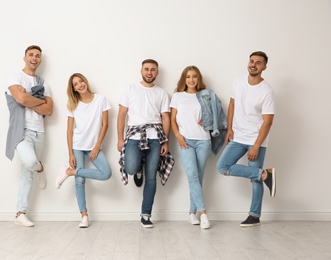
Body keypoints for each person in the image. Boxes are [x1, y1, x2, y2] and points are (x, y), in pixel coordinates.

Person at [216, 51, 276, 227]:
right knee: (222, 166)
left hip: (256, 139)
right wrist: (229, 129)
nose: (253, 65)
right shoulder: (238, 81)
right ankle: (265, 174)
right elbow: (233, 104)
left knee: (254, 179)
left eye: (258, 63)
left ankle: (254, 215)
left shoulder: (267, 91)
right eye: (251, 61)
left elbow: (268, 122)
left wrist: (256, 146)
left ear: (264, 67)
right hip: (238, 136)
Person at [117, 59, 174, 228]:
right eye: (147, 69)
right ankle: (138, 170)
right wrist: (120, 138)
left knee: (151, 177)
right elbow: (121, 115)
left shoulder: (162, 93)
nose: (149, 72)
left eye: (153, 70)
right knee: (131, 168)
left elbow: (165, 117)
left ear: (157, 73)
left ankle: (146, 214)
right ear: (141, 71)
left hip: (156, 136)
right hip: (135, 135)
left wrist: (166, 141)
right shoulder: (129, 89)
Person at [171, 65, 226, 229]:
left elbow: (218, 117)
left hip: (203, 140)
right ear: (184, 79)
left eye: (194, 76)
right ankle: (203, 214)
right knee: (193, 176)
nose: (191, 79)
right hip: (185, 141)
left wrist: (208, 122)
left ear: (198, 78)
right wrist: (178, 136)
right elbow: (172, 120)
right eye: (188, 76)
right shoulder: (177, 96)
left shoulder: (206, 95)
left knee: (198, 178)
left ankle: (191, 213)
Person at [5, 45, 53, 227]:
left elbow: (49, 110)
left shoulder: (43, 82)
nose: (34, 58)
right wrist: (37, 100)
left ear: (40, 60)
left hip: (39, 131)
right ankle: (40, 168)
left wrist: (28, 99)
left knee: (26, 173)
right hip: (21, 131)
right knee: (31, 162)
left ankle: (20, 213)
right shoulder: (16, 76)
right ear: (24, 57)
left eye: (38, 56)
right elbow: (21, 99)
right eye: (31, 55)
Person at [55, 73, 112, 228]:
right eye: (76, 84)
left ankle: (69, 172)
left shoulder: (100, 99)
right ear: (73, 89)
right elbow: (69, 131)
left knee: (106, 173)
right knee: (80, 181)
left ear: (85, 81)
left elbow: (105, 125)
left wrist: (97, 146)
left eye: (81, 81)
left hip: (93, 146)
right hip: (78, 145)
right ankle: (84, 215)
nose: (80, 85)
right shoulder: (73, 104)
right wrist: (70, 153)